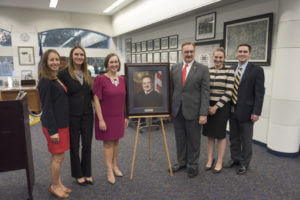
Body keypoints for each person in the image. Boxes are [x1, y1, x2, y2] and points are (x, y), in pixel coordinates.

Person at [170, 42, 210, 178]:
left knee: (193, 140)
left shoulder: (203, 69)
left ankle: (193, 165)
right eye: (186, 52)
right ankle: (181, 162)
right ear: (181, 52)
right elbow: (172, 90)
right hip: (177, 111)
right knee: (180, 138)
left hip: (194, 111)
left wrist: (203, 113)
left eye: (191, 52)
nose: (188, 54)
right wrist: (169, 109)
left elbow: (205, 93)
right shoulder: (174, 68)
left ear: (194, 52)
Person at [224, 43, 265, 175]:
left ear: (249, 54)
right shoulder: (232, 68)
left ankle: (244, 163)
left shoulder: (257, 70)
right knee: (234, 137)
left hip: (247, 112)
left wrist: (256, 112)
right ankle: (235, 158)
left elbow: (259, 93)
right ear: (237, 53)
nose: (242, 54)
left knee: (246, 139)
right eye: (240, 51)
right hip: (232, 109)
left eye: (245, 52)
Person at [57, 46, 94, 186]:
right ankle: (78, 174)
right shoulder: (63, 74)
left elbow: (91, 94)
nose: (79, 57)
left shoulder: (87, 72)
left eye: (81, 54)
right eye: (76, 54)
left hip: (87, 114)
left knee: (87, 144)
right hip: (72, 115)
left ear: (84, 57)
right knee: (74, 146)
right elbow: (58, 94)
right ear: (71, 56)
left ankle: (87, 173)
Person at [38, 49, 71, 199]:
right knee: (57, 157)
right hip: (54, 126)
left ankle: (58, 183)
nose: (55, 62)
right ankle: (54, 186)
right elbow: (47, 107)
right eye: (51, 60)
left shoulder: (55, 78)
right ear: (45, 62)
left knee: (59, 156)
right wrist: (53, 131)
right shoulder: (45, 80)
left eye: (57, 59)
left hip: (61, 124)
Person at [93, 53, 128, 184]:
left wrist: (125, 116)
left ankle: (115, 166)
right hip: (105, 117)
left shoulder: (122, 79)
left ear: (119, 64)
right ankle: (109, 170)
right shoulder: (100, 79)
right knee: (108, 143)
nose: (114, 64)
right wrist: (101, 120)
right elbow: (96, 100)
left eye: (116, 62)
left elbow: (123, 99)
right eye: (111, 62)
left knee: (116, 142)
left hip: (118, 116)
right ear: (107, 64)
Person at [202, 47, 234, 173]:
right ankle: (210, 159)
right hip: (207, 105)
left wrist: (216, 107)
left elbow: (229, 92)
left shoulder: (229, 71)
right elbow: (204, 90)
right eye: (216, 57)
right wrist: (207, 106)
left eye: (221, 57)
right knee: (209, 135)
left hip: (221, 107)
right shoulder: (207, 71)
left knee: (220, 136)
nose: (218, 59)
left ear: (224, 58)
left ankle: (220, 161)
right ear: (212, 57)